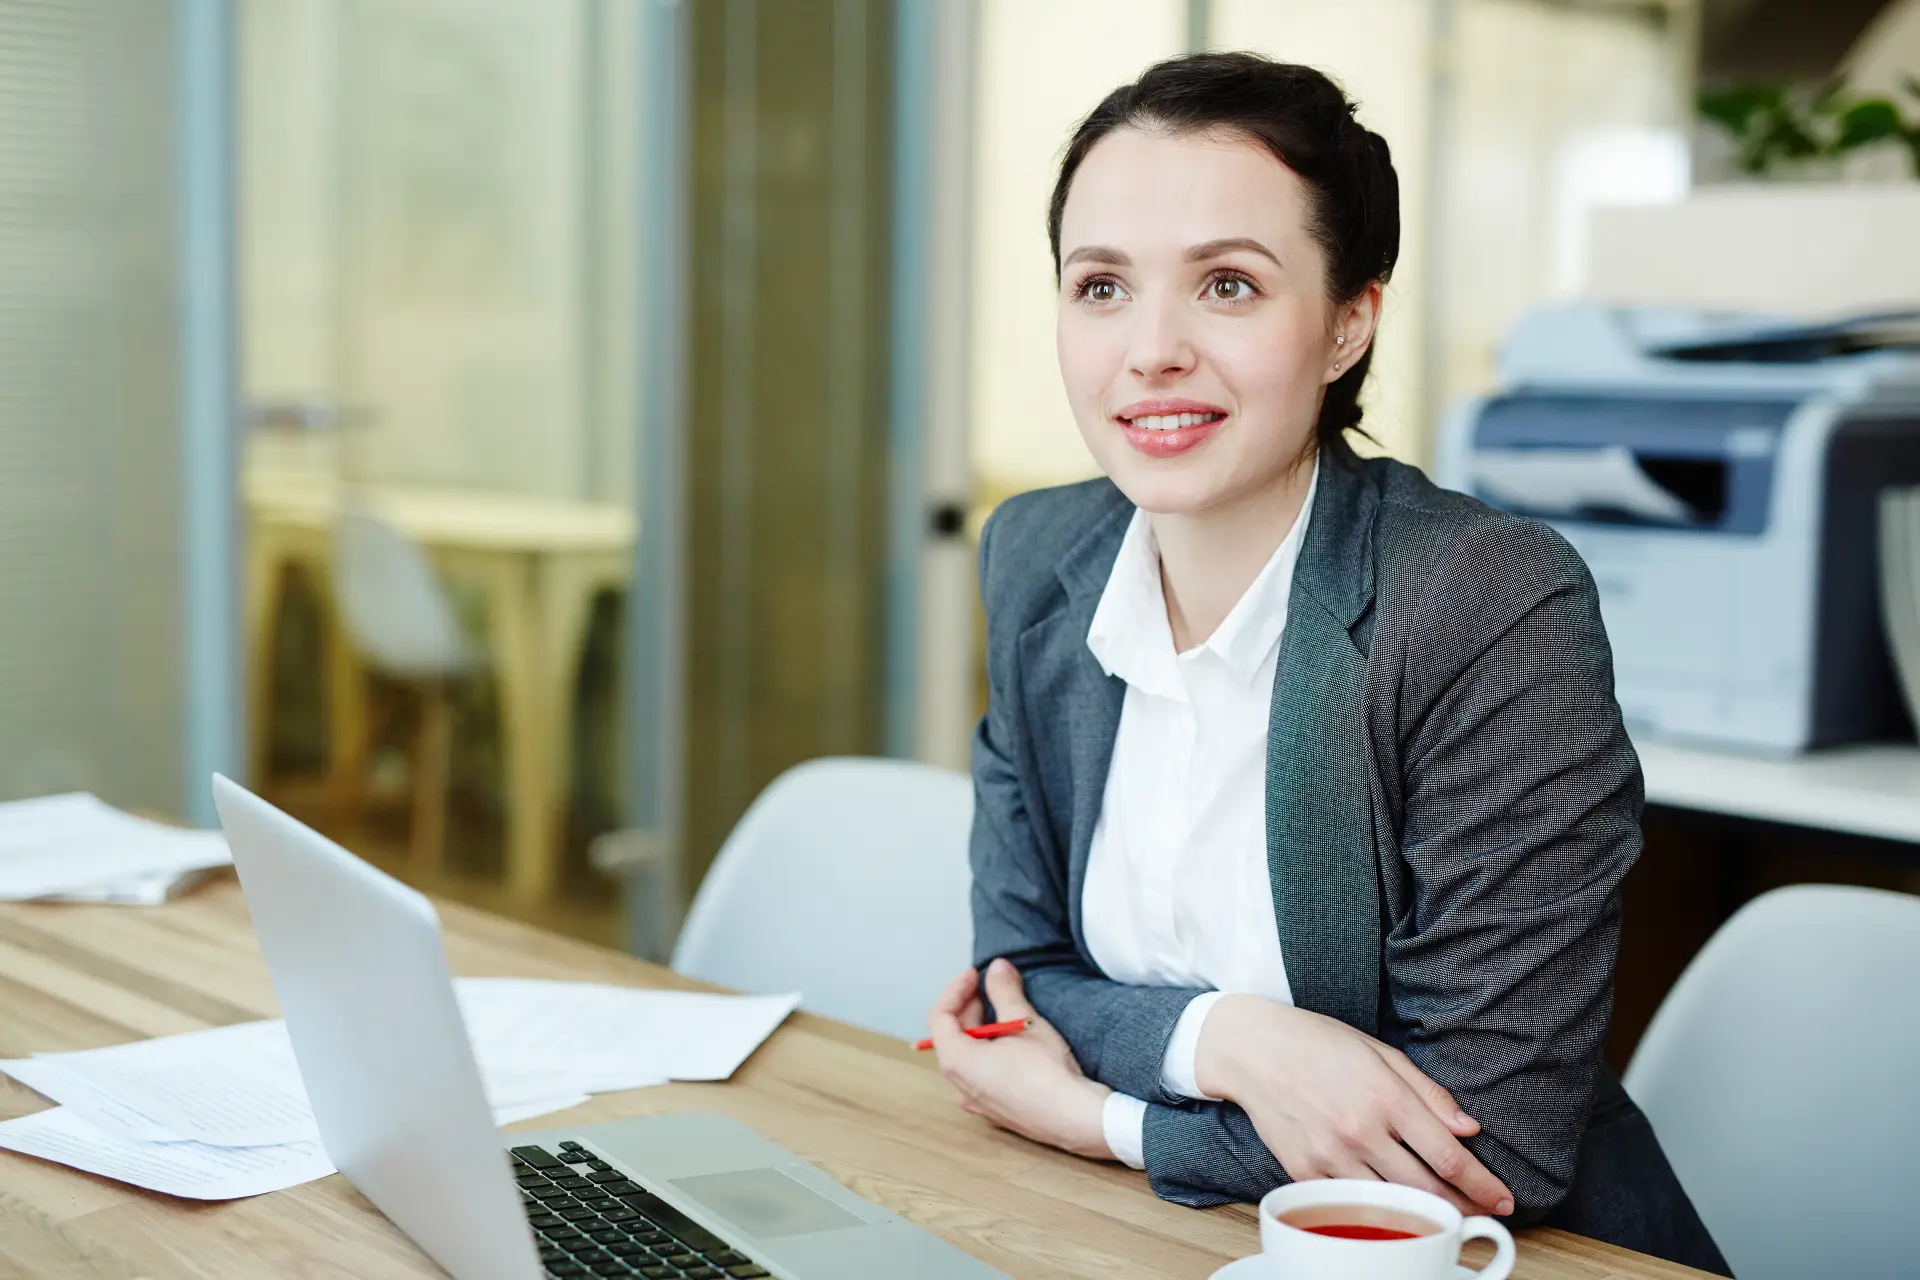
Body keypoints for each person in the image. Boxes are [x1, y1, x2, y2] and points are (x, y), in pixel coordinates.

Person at [924, 52, 1729, 1273]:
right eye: (1100, 286)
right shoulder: (1039, 557)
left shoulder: (1480, 600)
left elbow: (1491, 1135)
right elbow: (1013, 980)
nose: (1150, 350)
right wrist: (1237, 1041)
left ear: (1349, 319)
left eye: (1229, 285)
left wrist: (1104, 1113)